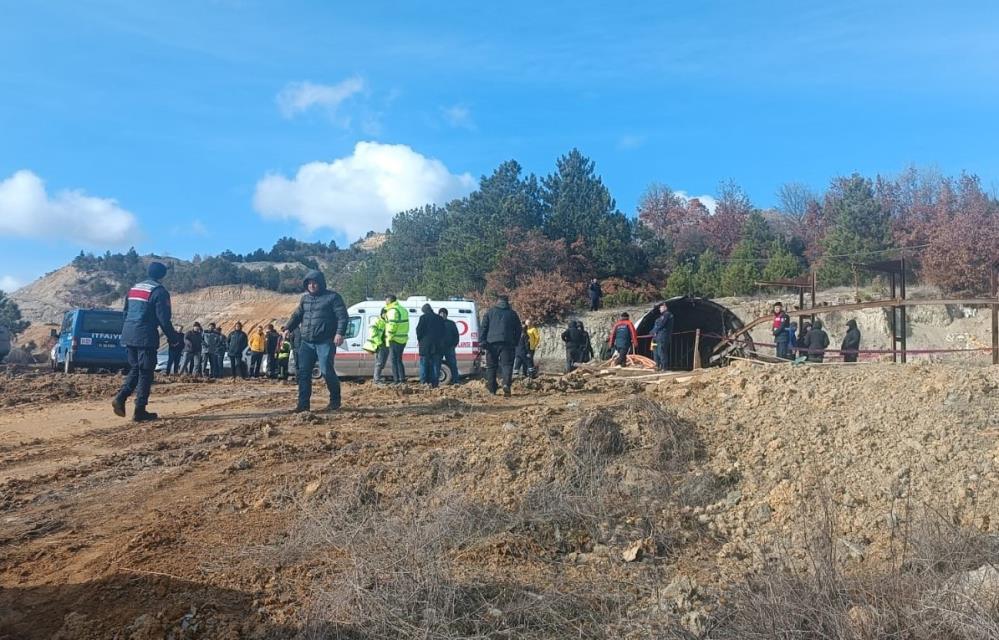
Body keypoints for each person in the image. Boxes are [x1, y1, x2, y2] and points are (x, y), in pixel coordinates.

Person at [112, 261, 182, 422]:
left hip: (129, 334)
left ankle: (122, 399)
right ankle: (138, 409)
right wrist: (173, 339)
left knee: (136, 368)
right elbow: (164, 319)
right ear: (162, 275)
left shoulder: (134, 289)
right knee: (146, 372)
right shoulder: (159, 292)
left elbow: (125, 313)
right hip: (145, 336)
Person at [285, 270, 349, 413]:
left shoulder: (333, 297)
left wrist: (339, 333)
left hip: (325, 341)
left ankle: (335, 401)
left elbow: (343, 317)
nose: (312, 285)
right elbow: (297, 315)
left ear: (321, 283)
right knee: (303, 373)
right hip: (306, 342)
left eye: (315, 283)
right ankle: (303, 406)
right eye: (309, 283)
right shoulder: (305, 299)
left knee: (326, 370)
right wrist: (288, 328)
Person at [479, 295, 522, 397]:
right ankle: (506, 384)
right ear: (507, 302)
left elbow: (483, 327)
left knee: (491, 366)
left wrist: (482, 341)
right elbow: (519, 329)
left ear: (497, 301)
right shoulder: (512, 314)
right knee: (507, 365)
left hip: (491, 343)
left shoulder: (490, 313)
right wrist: (515, 342)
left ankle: (492, 389)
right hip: (508, 343)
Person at [416, 303, 446, 387]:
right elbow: (443, 332)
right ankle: (435, 383)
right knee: (436, 365)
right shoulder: (439, 318)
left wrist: (420, 340)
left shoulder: (423, 318)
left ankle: (424, 382)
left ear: (425, 311)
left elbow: (418, 330)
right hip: (437, 346)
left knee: (424, 365)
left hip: (425, 346)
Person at [384, 295, 410, 384]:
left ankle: (396, 380)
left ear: (390, 301)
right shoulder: (403, 309)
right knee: (399, 359)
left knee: (394, 360)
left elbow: (392, 326)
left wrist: (388, 338)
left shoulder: (392, 311)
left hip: (394, 339)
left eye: (386, 300)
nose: (385, 302)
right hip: (403, 339)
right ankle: (402, 378)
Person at [365, 309, 390, 384]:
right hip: (379, 344)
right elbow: (373, 332)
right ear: (382, 313)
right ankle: (376, 379)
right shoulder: (376, 321)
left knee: (382, 362)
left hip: (386, 344)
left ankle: (377, 377)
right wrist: (379, 342)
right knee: (379, 362)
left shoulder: (387, 322)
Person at [439, 308, 460, 385]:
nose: (442, 315)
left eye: (444, 313)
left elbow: (456, 335)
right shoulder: (436, 323)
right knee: (437, 364)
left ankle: (456, 380)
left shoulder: (451, 323)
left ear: (446, 315)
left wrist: (454, 344)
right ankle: (435, 380)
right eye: (441, 313)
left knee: (452, 364)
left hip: (449, 348)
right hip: (439, 348)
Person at [652, 303, 674, 371]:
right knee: (656, 352)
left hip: (662, 337)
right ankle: (657, 365)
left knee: (661, 352)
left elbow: (662, 324)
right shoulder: (659, 317)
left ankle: (664, 367)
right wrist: (652, 332)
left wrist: (654, 331)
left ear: (665, 307)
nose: (659, 309)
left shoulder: (667, 315)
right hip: (656, 338)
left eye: (660, 307)